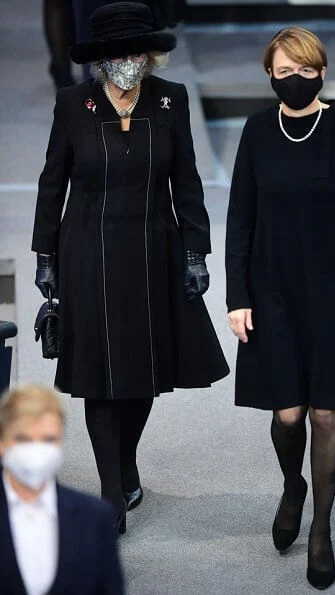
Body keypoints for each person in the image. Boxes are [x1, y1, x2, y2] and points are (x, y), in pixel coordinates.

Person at [32, 1, 229, 535]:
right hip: (87, 252)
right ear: (99, 58)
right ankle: (109, 490)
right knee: (100, 376)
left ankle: (125, 460)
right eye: (118, 51)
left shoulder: (171, 100)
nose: (128, 59)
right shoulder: (75, 103)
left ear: (151, 54)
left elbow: (187, 182)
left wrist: (195, 253)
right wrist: (45, 258)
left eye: (136, 50)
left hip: (152, 251)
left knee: (142, 374)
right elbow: (53, 185)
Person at [225, 27, 335, 590]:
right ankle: (292, 485)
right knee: (288, 414)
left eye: (305, 71)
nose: (294, 80)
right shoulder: (257, 131)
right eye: (283, 71)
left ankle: (320, 529)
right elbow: (240, 219)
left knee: (326, 413)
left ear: (322, 72)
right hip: (272, 291)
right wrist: (237, 296)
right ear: (269, 75)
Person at [0, 385, 123, 595]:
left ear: (61, 443)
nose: (36, 451)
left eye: (48, 439)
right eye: (23, 439)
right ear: (2, 442)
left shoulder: (95, 517)